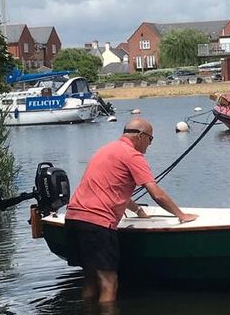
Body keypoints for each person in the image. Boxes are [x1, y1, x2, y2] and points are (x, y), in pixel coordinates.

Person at [65, 117, 196, 303]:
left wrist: (138, 211)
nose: (150, 144)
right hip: (98, 223)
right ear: (141, 136)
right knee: (109, 283)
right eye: (150, 139)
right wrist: (181, 215)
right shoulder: (133, 155)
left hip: (74, 218)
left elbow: (110, 188)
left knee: (91, 279)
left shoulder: (105, 150)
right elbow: (156, 193)